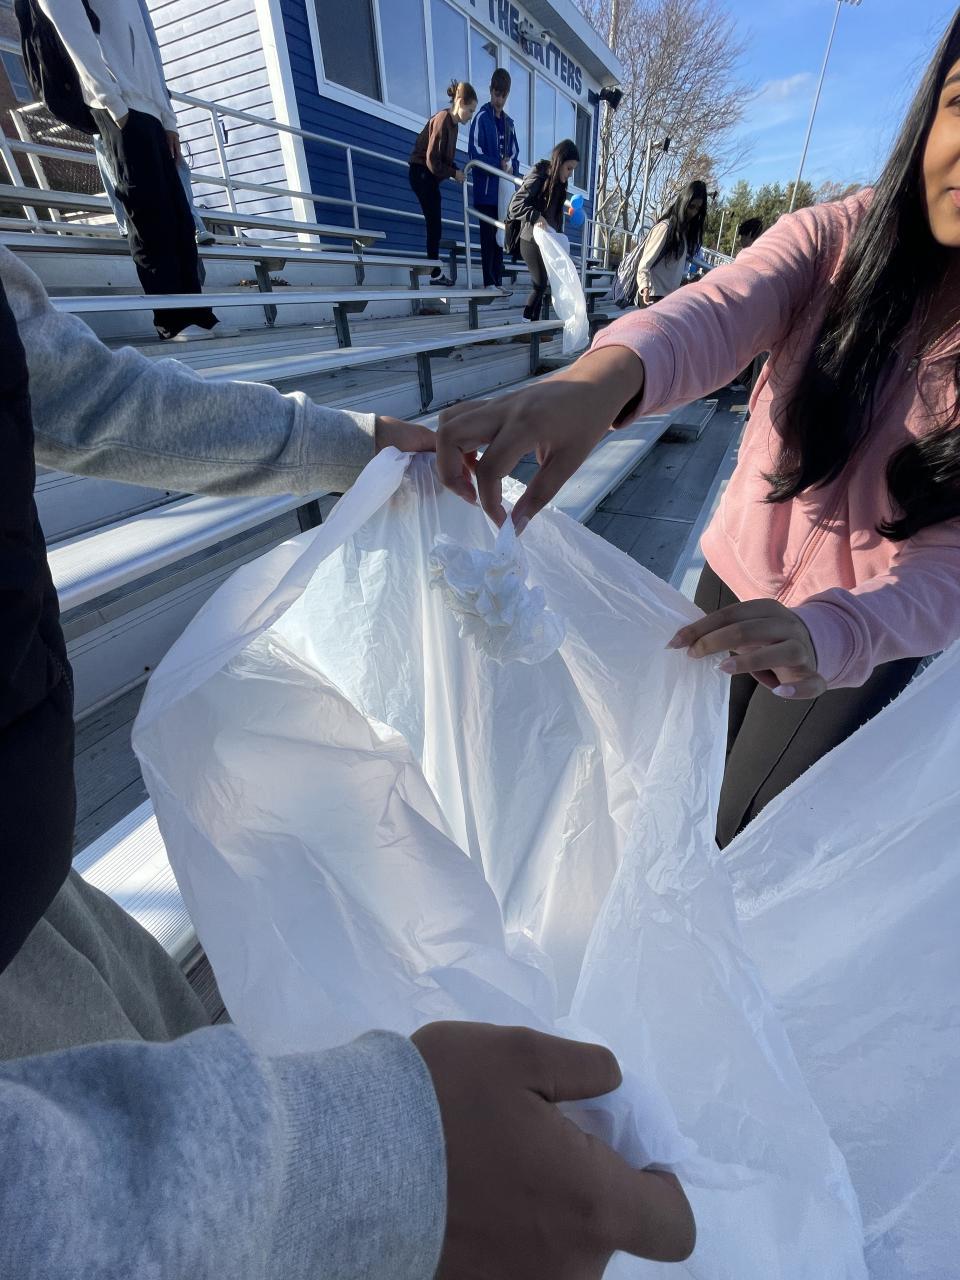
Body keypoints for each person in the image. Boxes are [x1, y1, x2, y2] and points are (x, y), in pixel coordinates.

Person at [0, 246, 695, 1277]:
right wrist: (386, 1165)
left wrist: (354, 445)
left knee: (170, 1043)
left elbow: (82, 390)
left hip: (41, 893)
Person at [435, 10, 960, 849]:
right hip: (729, 579)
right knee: (666, 794)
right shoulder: (835, 241)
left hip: (852, 643)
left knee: (736, 842)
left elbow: (950, 567)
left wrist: (837, 631)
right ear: (931, 107)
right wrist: (598, 383)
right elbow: (714, 313)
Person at [36, 0, 225, 341]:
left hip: (151, 111)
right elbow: (68, 23)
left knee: (180, 220)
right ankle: (172, 321)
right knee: (149, 219)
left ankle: (199, 313)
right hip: (118, 107)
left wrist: (169, 119)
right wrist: (111, 101)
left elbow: (149, 52)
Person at [408, 80, 478, 289]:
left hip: (428, 176)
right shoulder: (442, 119)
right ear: (459, 102)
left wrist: (457, 171)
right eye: (470, 110)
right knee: (434, 223)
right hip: (421, 172)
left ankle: (435, 270)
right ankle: (434, 272)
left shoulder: (453, 127)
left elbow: (444, 160)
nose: (471, 116)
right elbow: (432, 160)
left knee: (435, 223)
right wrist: (453, 173)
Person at [505, 138, 580, 321]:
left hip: (547, 241)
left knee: (544, 285)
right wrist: (536, 216)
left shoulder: (560, 185)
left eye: (573, 170)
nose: (570, 174)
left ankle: (532, 326)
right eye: (569, 168)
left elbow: (554, 217)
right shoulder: (539, 176)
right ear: (559, 162)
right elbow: (514, 206)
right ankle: (525, 324)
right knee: (540, 283)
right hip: (529, 239)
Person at [467, 67, 520, 291]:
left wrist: (510, 166)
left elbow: (515, 155)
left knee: (501, 235)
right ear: (491, 91)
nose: (499, 100)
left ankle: (498, 281)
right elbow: (474, 153)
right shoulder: (481, 117)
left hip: (503, 193)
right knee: (487, 237)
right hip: (486, 192)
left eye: (503, 95)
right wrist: (497, 164)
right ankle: (489, 281)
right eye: (497, 94)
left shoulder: (510, 124)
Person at [632, 182, 707, 306]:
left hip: (669, 297)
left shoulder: (683, 234)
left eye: (698, 209)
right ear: (683, 202)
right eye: (691, 206)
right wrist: (645, 287)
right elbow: (644, 264)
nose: (694, 212)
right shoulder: (665, 228)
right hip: (652, 295)